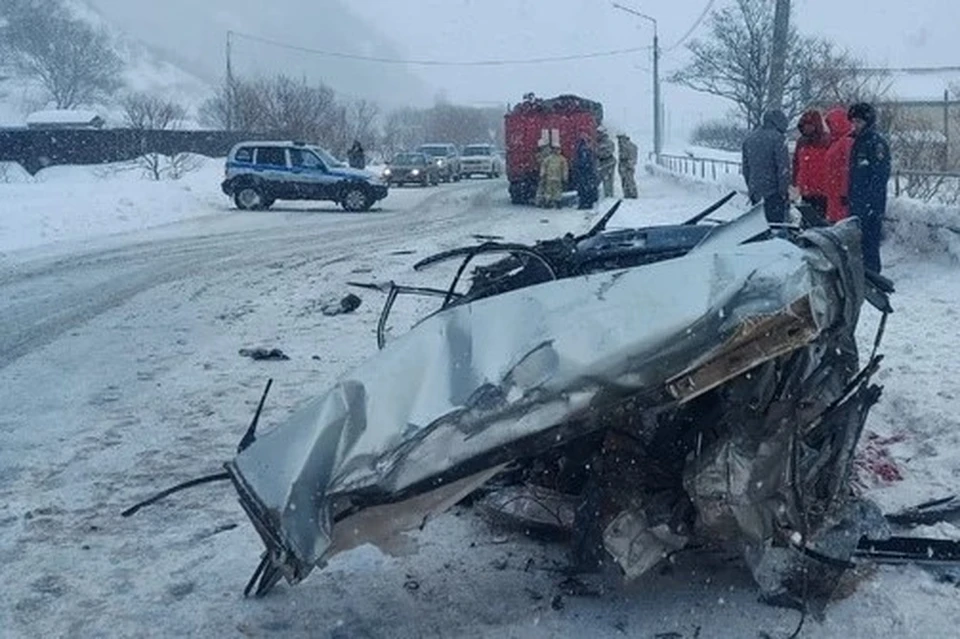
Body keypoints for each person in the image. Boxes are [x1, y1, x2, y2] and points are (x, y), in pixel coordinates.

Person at [847, 102, 891, 273]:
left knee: (870, 243)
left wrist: (871, 203)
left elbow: (880, 176)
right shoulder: (858, 142)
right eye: (854, 122)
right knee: (859, 243)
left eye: (859, 122)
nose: (855, 125)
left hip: (871, 204)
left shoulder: (875, 143)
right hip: (857, 202)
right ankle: (863, 275)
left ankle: (872, 275)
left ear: (868, 121)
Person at [742, 110, 790, 225]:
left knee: (759, 227)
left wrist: (751, 188)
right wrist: (783, 192)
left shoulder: (749, 139)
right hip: (774, 193)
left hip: (755, 192)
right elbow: (783, 169)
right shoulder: (778, 139)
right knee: (776, 228)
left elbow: (746, 169)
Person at [792, 109, 830, 219]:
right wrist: (794, 181)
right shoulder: (801, 141)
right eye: (805, 125)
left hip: (821, 190)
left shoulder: (826, 140)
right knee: (807, 219)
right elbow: (796, 163)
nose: (807, 128)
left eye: (810, 125)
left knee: (819, 220)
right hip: (806, 189)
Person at [823, 106, 855, 224]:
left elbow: (847, 168)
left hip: (839, 191)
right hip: (833, 190)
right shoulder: (835, 141)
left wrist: (844, 191)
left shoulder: (846, 142)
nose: (829, 128)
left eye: (831, 124)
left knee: (840, 223)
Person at [573, 137, 599, 209]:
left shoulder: (582, 151)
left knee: (583, 189)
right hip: (587, 173)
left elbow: (582, 162)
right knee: (587, 189)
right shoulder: (588, 151)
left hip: (584, 173)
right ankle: (588, 203)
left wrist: (577, 166)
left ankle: (584, 204)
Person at [596, 127, 616, 198]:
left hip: (608, 163)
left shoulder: (608, 142)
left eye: (599, 133)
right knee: (604, 181)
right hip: (601, 164)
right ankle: (606, 195)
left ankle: (609, 196)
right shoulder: (597, 142)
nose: (597, 134)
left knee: (608, 181)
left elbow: (608, 152)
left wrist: (599, 154)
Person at [616, 134, 638, 199]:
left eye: (620, 139)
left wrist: (630, 164)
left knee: (629, 180)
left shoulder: (630, 146)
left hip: (627, 165)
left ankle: (633, 193)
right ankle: (627, 193)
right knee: (624, 180)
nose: (619, 141)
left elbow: (633, 157)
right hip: (623, 165)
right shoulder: (622, 146)